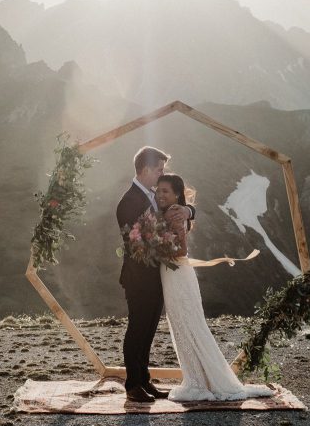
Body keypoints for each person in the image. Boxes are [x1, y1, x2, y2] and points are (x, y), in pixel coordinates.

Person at [155, 174, 274, 402]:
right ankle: (201, 379)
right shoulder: (177, 211)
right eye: (158, 190)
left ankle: (199, 383)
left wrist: (156, 247)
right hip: (175, 273)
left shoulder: (174, 214)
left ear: (176, 195)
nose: (160, 195)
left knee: (187, 325)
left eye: (165, 191)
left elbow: (179, 250)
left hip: (176, 273)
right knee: (186, 325)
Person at [116, 146, 193, 403]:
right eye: (159, 169)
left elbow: (181, 205)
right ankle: (132, 384)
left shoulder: (153, 195)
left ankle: (145, 380)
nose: (162, 173)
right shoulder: (128, 202)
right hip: (138, 279)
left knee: (148, 330)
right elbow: (136, 243)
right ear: (146, 169)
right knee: (137, 329)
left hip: (157, 277)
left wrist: (188, 211)